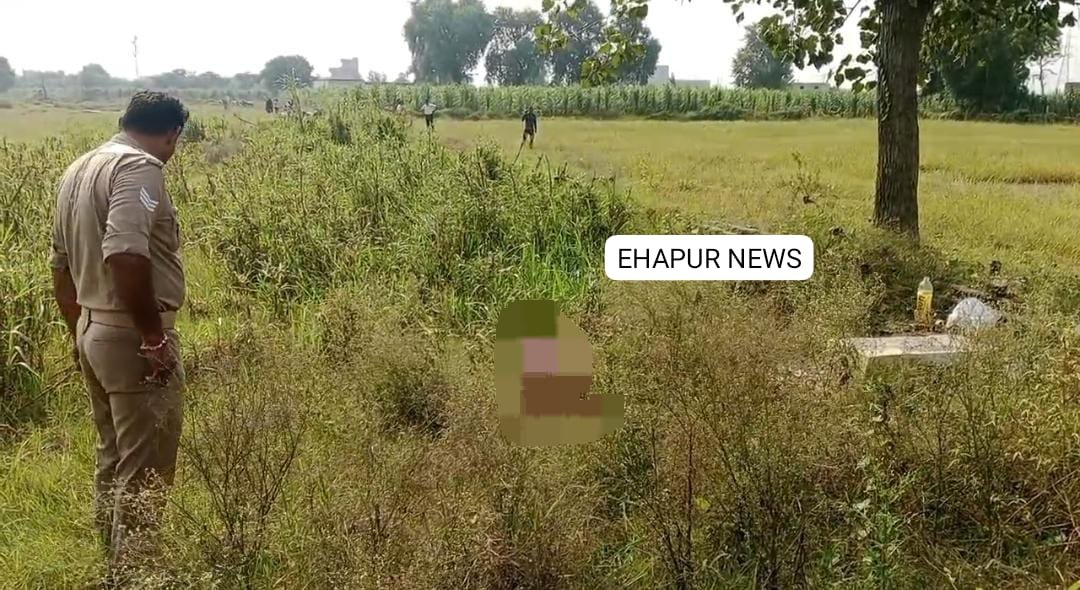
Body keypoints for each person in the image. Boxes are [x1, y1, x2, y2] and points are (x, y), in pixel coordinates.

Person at [50, 90, 188, 576]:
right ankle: (136, 573)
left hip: (91, 326)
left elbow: (61, 268)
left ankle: (111, 559)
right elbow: (126, 253)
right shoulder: (138, 167)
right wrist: (153, 338)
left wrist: (78, 331)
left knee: (113, 454)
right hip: (130, 338)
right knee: (145, 463)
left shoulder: (80, 168)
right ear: (172, 134)